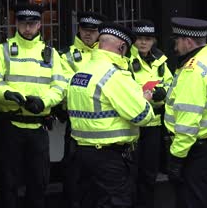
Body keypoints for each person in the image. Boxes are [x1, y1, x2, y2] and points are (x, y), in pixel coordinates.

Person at [66, 22, 155, 208]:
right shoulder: (115, 75)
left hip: (81, 154)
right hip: (110, 158)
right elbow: (143, 116)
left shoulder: (81, 72)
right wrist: (144, 99)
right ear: (122, 48)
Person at [0, 3, 67, 208]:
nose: (28, 28)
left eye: (32, 24)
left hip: (38, 128)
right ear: (16, 24)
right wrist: (7, 93)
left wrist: (43, 102)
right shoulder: (1, 51)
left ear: (40, 25)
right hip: (10, 126)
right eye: (23, 23)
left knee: (38, 183)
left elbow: (60, 87)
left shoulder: (51, 54)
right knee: (8, 184)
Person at [165, 17, 207, 208]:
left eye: (177, 41)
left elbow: (188, 122)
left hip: (197, 151)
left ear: (188, 41)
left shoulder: (193, 71)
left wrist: (177, 158)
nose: (176, 47)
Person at [59, 11, 107, 208]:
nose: (88, 34)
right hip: (77, 122)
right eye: (85, 30)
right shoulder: (67, 55)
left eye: (93, 31)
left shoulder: (107, 55)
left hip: (103, 123)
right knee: (74, 171)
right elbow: (67, 86)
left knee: (98, 175)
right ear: (78, 29)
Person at [129, 19, 173, 208]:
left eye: (147, 39)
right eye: (139, 38)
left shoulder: (160, 61)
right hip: (132, 125)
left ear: (153, 41)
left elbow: (172, 85)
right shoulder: (126, 60)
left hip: (153, 124)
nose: (143, 43)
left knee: (149, 174)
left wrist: (163, 92)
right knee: (131, 174)